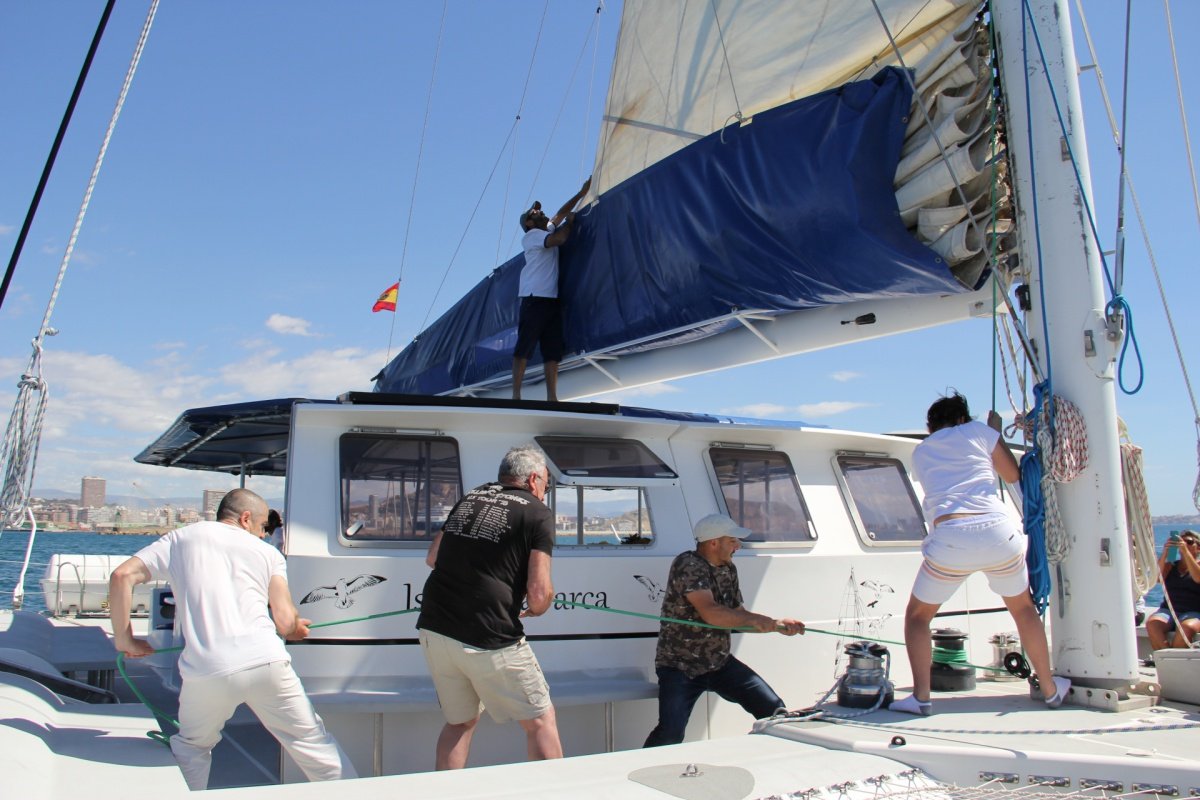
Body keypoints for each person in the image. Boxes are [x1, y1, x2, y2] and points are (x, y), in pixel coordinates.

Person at [109, 488, 355, 790]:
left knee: (192, 748)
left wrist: (126, 641)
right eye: (263, 527)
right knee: (312, 743)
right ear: (246, 518)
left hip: (207, 669)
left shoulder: (181, 538)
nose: (264, 534)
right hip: (266, 662)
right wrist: (296, 630)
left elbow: (122, 576)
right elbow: (285, 621)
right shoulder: (269, 554)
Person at [890, 392, 1069, 716]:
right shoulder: (978, 431)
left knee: (918, 617)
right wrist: (994, 432)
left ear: (931, 427)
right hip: (998, 535)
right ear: (962, 417)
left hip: (952, 539)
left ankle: (921, 698)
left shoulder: (921, 451)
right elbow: (1012, 475)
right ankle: (1051, 689)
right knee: (1023, 609)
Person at [416, 445, 561, 769]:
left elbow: (432, 558)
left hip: (435, 627)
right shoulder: (537, 512)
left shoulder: (471, 498)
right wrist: (540, 606)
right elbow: (538, 593)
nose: (545, 491)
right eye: (547, 484)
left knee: (460, 722)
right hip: (488, 634)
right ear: (534, 478)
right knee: (540, 721)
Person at [643, 513, 805, 747]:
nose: (737, 545)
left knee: (774, 710)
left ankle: (779, 761)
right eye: (732, 540)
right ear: (713, 543)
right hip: (680, 666)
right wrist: (767, 621)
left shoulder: (728, 569)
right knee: (670, 733)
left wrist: (778, 626)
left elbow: (738, 615)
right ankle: (640, 774)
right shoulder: (687, 564)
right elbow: (711, 613)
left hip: (719, 663)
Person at [512, 176, 591, 402]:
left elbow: (559, 214)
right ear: (528, 223)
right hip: (534, 297)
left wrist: (581, 193)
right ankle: (516, 395)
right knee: (524, 347)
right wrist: (571, 224)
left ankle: (552, 397)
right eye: (534, 213)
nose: (539, 211)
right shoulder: (532, 237)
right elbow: (559, 239)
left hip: (549, 299)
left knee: (552, 350)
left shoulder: (543, 229)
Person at [1146, 530, 1200, 649]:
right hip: (1169, 611)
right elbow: (1157, 578)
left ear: (1198, 548)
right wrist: (1166, 552)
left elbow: (1197, 578)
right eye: (1181, 541)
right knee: (1152, 624)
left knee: (1186, 627)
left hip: (1194, 612)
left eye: (1189, 542)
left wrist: (1186, 553)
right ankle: (1165, 659)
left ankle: (1176, 660)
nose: (1184, 544)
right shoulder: (1171, 566)